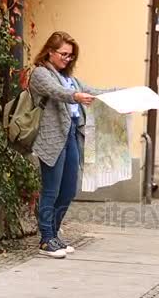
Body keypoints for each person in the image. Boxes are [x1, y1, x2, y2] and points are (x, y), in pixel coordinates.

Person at [29, 31, 113, 258]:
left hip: (71, 136)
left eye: (71, 56)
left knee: (68, 190)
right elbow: (57, 92)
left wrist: (123, 94)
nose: (68, 59)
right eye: (64, 54)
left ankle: (54, 235)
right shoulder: (40, 73)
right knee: (51, 190)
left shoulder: (71, 79)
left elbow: (93, 92)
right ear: (50, 51)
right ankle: (46, 239)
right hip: (51, 138)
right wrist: (75, 96)